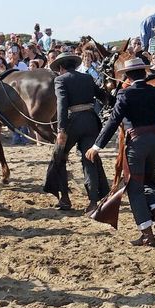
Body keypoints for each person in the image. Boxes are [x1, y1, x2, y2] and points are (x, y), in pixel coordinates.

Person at [87, 57, 155, 245]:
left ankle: (147, 234)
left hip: (137, 143)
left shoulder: (125, 94)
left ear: (128, 76)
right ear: (144, 73)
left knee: (135, 188)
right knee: (149, 182)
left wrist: (96, 146)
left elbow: (113, 121)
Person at [47, 53, 111, 211]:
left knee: (60, 157)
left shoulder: (60, 80)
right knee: (89, 159)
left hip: (72, 123)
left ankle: (64, 198)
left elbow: (62, 104)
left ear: (61, 67)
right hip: (90, 121)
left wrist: (61, 129)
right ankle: (93, 202)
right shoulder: (87, 78)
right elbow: (103, 96)